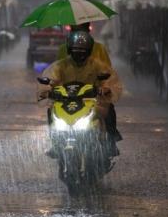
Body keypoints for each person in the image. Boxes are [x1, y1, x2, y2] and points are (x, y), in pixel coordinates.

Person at [41, 31, 123, 161]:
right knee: (51, 111)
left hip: (91, 101)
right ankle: (55, 143)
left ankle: (111, 140)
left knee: (109, 110)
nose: (78, 54)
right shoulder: (61, 65)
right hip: (66, 101)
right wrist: (48, 90)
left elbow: (109, 79)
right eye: (75, 51)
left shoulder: (97, 65)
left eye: (82, 51)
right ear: (69, 50)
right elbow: (52, 79)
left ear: (89, 51)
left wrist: (105, 88)